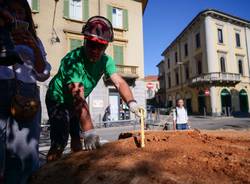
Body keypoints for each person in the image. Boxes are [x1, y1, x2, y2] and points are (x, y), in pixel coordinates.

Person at [45, 16, 144, 162]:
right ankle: (48, 173)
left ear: (106, 47)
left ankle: (75, 170)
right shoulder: (73, 60)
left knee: (77, 137)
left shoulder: (106, 61)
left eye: (101, 47)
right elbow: (78, 96)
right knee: (60, 141)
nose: (96, 51)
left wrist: (132, 103)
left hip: (75, 103)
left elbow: (119, 83)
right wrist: (90, 131)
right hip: (57, 99)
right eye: (92, 45)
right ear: (85, 40)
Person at [0, 0, 51, 183]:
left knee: (24, 156)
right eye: (10, 10)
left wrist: (34, 47)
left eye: (20, 12)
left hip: (27, 93)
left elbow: (43, 74)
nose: (16, 16)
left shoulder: (35, 40)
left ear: (27, 16)